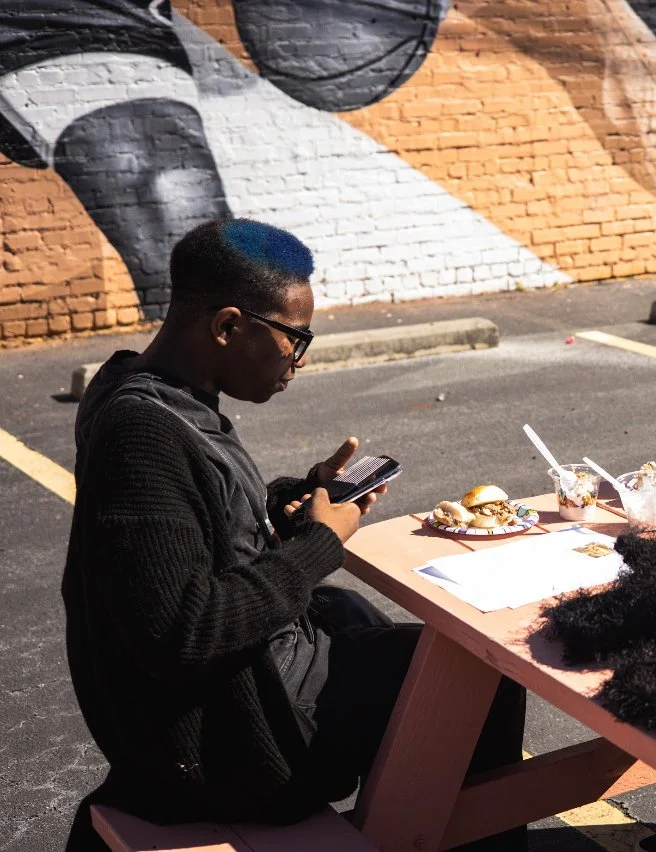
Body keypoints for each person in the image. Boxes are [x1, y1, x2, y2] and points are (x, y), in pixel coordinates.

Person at [62, 218, 526, 850]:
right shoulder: (146, 436)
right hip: (242, 750)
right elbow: (184, 633)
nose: (299, 361)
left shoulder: (137, 389)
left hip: (224, 709)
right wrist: (318, 545)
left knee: (353, 613)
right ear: (228, 327)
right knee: (478, 674)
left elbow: (193, 531)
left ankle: (413, 815)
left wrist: (288, 508)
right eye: (294, 339)